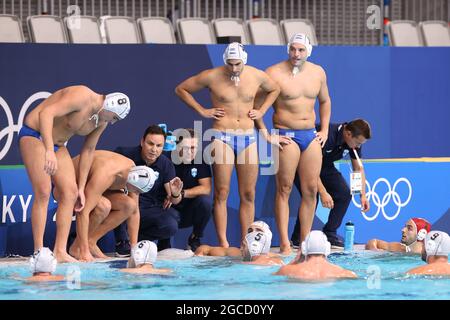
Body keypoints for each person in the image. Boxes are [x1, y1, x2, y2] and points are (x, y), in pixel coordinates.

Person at [175, 42, 280, 247]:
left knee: (248, 193)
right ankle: (223, 242)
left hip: (248, 136)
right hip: (222, 135)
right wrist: (202, 110)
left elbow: (275, 89)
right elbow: (181, 89)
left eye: (237, 64)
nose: (233, 68)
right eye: (230, 64)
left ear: (245, 60)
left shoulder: (256, 75)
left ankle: (246, 242)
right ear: (225, 61)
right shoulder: (212, 75)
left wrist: (262, 111)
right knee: (222, 192)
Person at [18, 85, 130, 262]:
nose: (112, 121)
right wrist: (48, 150)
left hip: (59, 145)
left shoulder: (101, 121)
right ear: (109, 106)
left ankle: (60, 251)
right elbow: (46, 113)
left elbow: (88, 151)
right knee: (44, 191)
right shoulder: (82, 96)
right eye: (114, 117)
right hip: (35, 135)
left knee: (70, 193)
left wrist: (82, 187)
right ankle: (38, 251)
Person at [255, 33, 331, 255]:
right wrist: (267, 135)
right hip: (286, 135)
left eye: (301, 50)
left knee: (310, 191)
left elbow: (325, 101)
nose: (296, 54)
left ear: (308, 51)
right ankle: (286, 244)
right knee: (285, 188)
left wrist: (324, 129)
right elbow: (257, 106)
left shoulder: (318, 72)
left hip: (310, 134)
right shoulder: (273, 73)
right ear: (288, 49)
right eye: (293, 49)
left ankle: (305, 243)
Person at [64, 151, 158, 261]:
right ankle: (80, 248)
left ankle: (90, 241)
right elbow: (83, 211)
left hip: (91, 184)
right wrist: (84, 253)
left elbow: (135, 212)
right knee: (103, 206)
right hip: (70, 183)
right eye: (136, 191)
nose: (136, 193)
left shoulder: (134, 171)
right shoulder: (106, 174)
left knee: (129, 205)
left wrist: (134, 249)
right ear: (133, 180)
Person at [290, 119, 372, 248]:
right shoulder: (328, 136)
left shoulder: (354, 144)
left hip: (324, 166)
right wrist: (323, 192)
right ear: (348, 134)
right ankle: (297, 238)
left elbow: (358, 168)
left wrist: (362, 195)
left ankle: (329, 233)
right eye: (357, 142)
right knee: (312, 195)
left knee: (344, 193)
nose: (358, 146)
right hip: (303, 164)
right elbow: (310, 167)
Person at [113, 125, 184, 255]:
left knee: (171, 223)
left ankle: (137, 239)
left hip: (148, 210)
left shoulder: (165, 164)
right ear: (142, 142)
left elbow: (175, 200)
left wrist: (175, 193)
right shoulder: (124, 155)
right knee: (125, 204)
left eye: (159, 146)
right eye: (150, 144)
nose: (154, 150)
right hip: (125, 204)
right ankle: (122, 242)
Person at [166, 128, 212, 252]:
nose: (191, 152)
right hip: (169, 208)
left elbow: (206, 188)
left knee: (205, 202)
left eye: (194, 147)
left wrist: (181, 193)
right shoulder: (166, 159)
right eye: (187, 148)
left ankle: (195, 238)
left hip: (189, 211)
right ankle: (163, 241)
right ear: (176, 146)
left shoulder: (200, 159)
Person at [275, 231, 357, 281]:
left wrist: (294, 261)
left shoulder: (287, 270)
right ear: (327, 248)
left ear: (304, 248)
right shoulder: (344, 273)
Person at [366, 217, 431, 254]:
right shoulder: (401, 248)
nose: (403, 230)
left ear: (421, 234)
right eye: (405, 227)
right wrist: (374, 250)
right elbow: (373, 241)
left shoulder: (431, 254)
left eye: (409, 228)